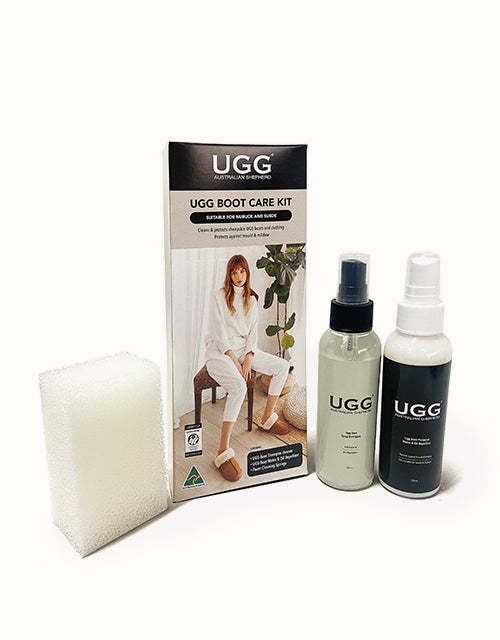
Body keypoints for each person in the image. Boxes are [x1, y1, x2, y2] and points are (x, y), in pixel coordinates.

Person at [205, 254, 290, 481]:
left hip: (244, 349)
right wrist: (236, 361)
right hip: (220, 352)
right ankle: (222, 451)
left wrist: (249, 357)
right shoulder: (218, 296)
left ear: (247, 273)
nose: (238, 276)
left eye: (242, 271)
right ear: (229, 274)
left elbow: (253, 332)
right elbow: (219, 333)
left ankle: (266, 418)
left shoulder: (251, 300)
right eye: (234, 272)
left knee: (282, 366)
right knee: (239, 387)